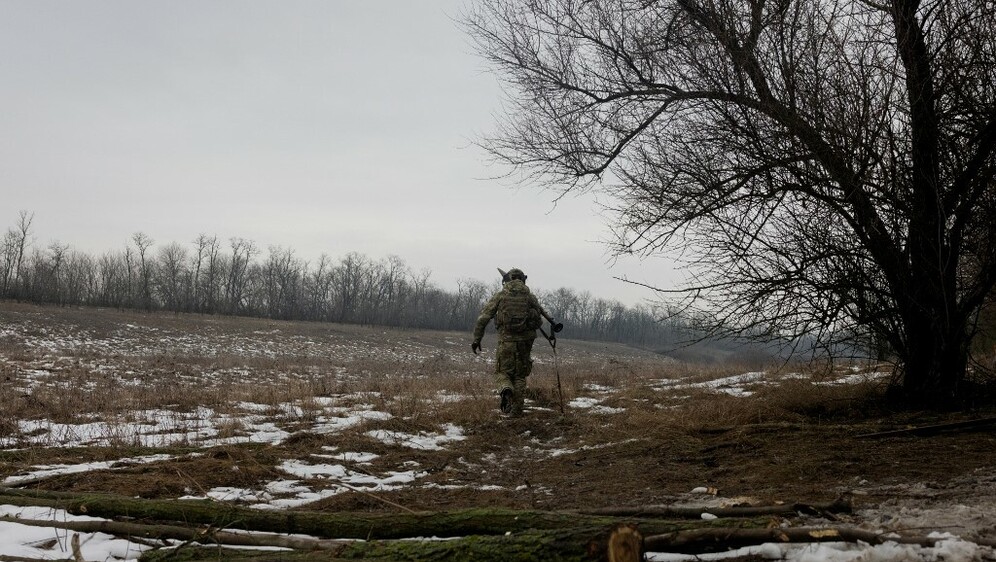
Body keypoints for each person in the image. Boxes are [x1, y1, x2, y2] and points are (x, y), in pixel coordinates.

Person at [472, 268, 553, 416]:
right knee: (520, 375)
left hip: (506, 341)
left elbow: (483, 318)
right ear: (523, 279)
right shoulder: (529, 297)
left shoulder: (501, 295)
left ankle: (506, 389)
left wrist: (477, 339)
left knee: (502, 372)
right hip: (525, 342)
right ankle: (516, 411)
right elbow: (539, 319)